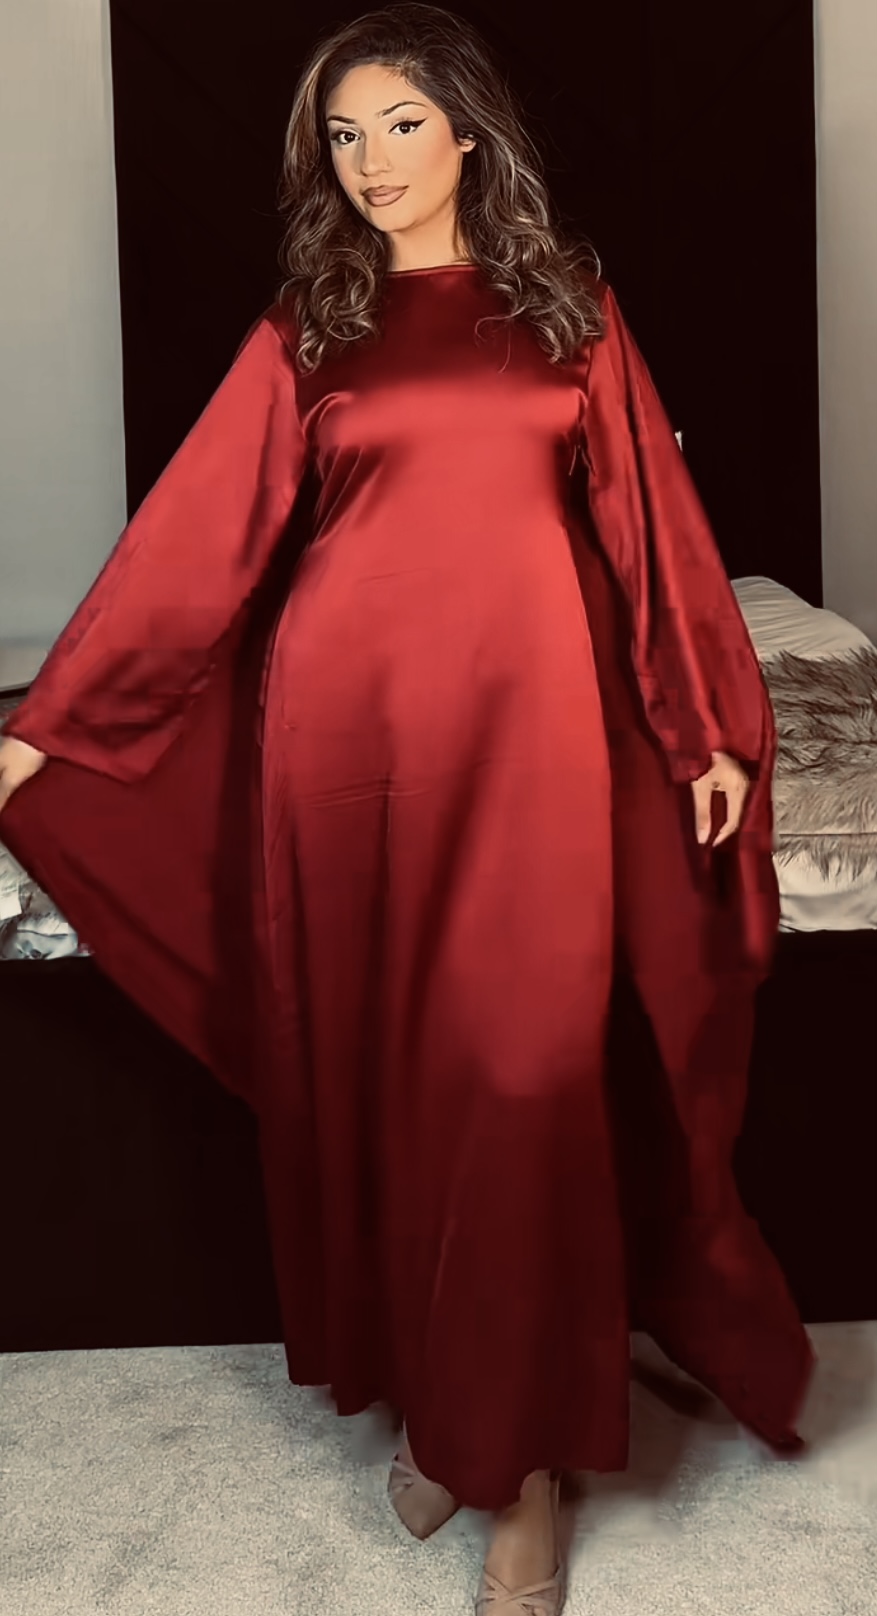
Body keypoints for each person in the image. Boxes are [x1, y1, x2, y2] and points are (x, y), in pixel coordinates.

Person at [0, 5, 813, 1612]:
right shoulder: (312, 321)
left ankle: (526, 1462)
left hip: (531, 747)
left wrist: (703, 726)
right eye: (342, 134)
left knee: (522, 1082)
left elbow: (652, 534)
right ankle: (457, 1415)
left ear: (469, 132)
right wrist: (42, 737)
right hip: (343, 748)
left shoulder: (567, 304)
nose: (368, 162)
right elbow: (190, 545)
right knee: (390, 1083)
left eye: (399, 125)